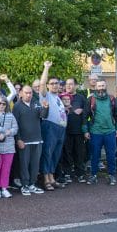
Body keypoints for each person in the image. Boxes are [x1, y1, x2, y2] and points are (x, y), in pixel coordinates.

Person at [82, 79, 117, 186]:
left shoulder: (111, 98)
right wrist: (85, 131)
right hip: (95, 132)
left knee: (111, 155)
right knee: (94, 155)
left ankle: (111, 175)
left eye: (103, 85)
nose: (101, 88)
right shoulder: (91, 99)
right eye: (99, 86)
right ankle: (93, 175)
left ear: (106, 86)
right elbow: (85, 116)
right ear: (96, 87)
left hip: (110, 131)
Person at [12, 85, 48, 196]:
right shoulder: (17, 106)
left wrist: (46, 108)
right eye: (26, 93)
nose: (29, 95)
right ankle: (25, 185)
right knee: (24, 165)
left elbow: (43, 115)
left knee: (35, 165)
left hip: (37, 140)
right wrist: (18, 139)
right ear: (21, 93)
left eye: (30, 93)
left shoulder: (36, 102)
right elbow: (15, 124)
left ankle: (32, 184)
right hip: (24, 141)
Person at [39, 61, 67, 191]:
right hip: (50, 127)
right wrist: (46, 68)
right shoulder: (46, 95)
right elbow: (42, 83)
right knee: (48, 153)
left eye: (57, 83)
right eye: (53, 83)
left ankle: (52, 178)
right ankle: (46, 180)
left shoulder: (58, 98)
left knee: (55, 154)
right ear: (48, 86)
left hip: (60, 129)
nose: (55, 85)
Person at [0, 97, 18, 198]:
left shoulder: (11, 116)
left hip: (9, 147)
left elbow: (15, 128)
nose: (1, 105)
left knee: (6, 169)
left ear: (6, 105)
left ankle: (4, 188)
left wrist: (6, 133)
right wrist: (0, 130)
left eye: (4, 104)